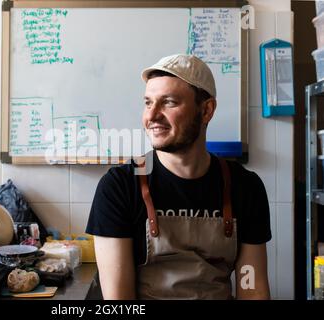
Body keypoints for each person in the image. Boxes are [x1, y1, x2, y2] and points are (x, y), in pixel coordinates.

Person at [85, 54, 271, 300]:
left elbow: (251, 285)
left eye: (169, 102)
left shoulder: (246, 187)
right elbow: (119, 300)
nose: (152, 116)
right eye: (148, 103)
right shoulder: (119, 186)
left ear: (206, 110)